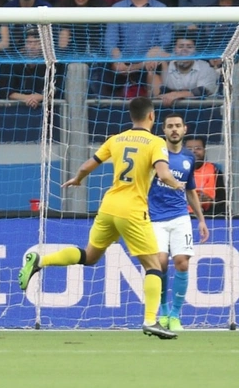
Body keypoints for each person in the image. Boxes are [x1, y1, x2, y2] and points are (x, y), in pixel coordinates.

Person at [18, 97, 184, 339]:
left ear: (131, 117)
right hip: (133, 211)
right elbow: (163, 172)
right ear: (152, 116)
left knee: (89, 256)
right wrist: (176, 184)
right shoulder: (156, 142)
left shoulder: (116, 139)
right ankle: (151, 320)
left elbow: (87, 165)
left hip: (108, 207)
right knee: (154, 266)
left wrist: (77, 179)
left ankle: (39, 262)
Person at [147, 113, 209, 332]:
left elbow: (190, 189)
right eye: (170, 126)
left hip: (180, 215)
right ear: (163, 130)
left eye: (177, 126)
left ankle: (175, 315)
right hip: (155, 217)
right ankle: (163, 312)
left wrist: (200, 219)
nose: (174, 129)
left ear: (185, 129)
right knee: (161, 263)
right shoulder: (154, 154)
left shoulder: (188, 157)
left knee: (182, 262)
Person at [184, 136, 227, 216]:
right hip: (181, 216)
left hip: (208, 218)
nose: (194, 151)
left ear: (204, 151)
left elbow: (222, 202)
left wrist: (210, 202)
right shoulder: (176, 171)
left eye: (198, 148)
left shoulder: (216, 172)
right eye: (189, 149)